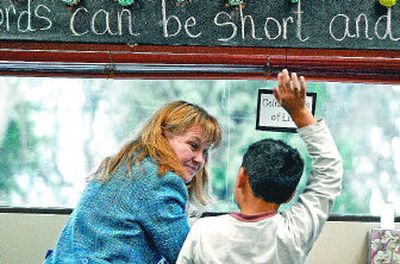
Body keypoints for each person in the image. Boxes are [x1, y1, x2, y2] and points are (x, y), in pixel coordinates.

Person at [176, 69, 343, 264]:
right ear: (290, 195)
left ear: (241, 177)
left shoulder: (204, 231)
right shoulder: (294, 235)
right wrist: (300, 112)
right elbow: (330, 169)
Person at [44, 100, 222, 264]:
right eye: (193, 145)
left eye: (205, 152)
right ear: (163, 135)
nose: (200, 159)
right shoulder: (160, 180)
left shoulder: (126, 165)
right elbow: (184, 256)